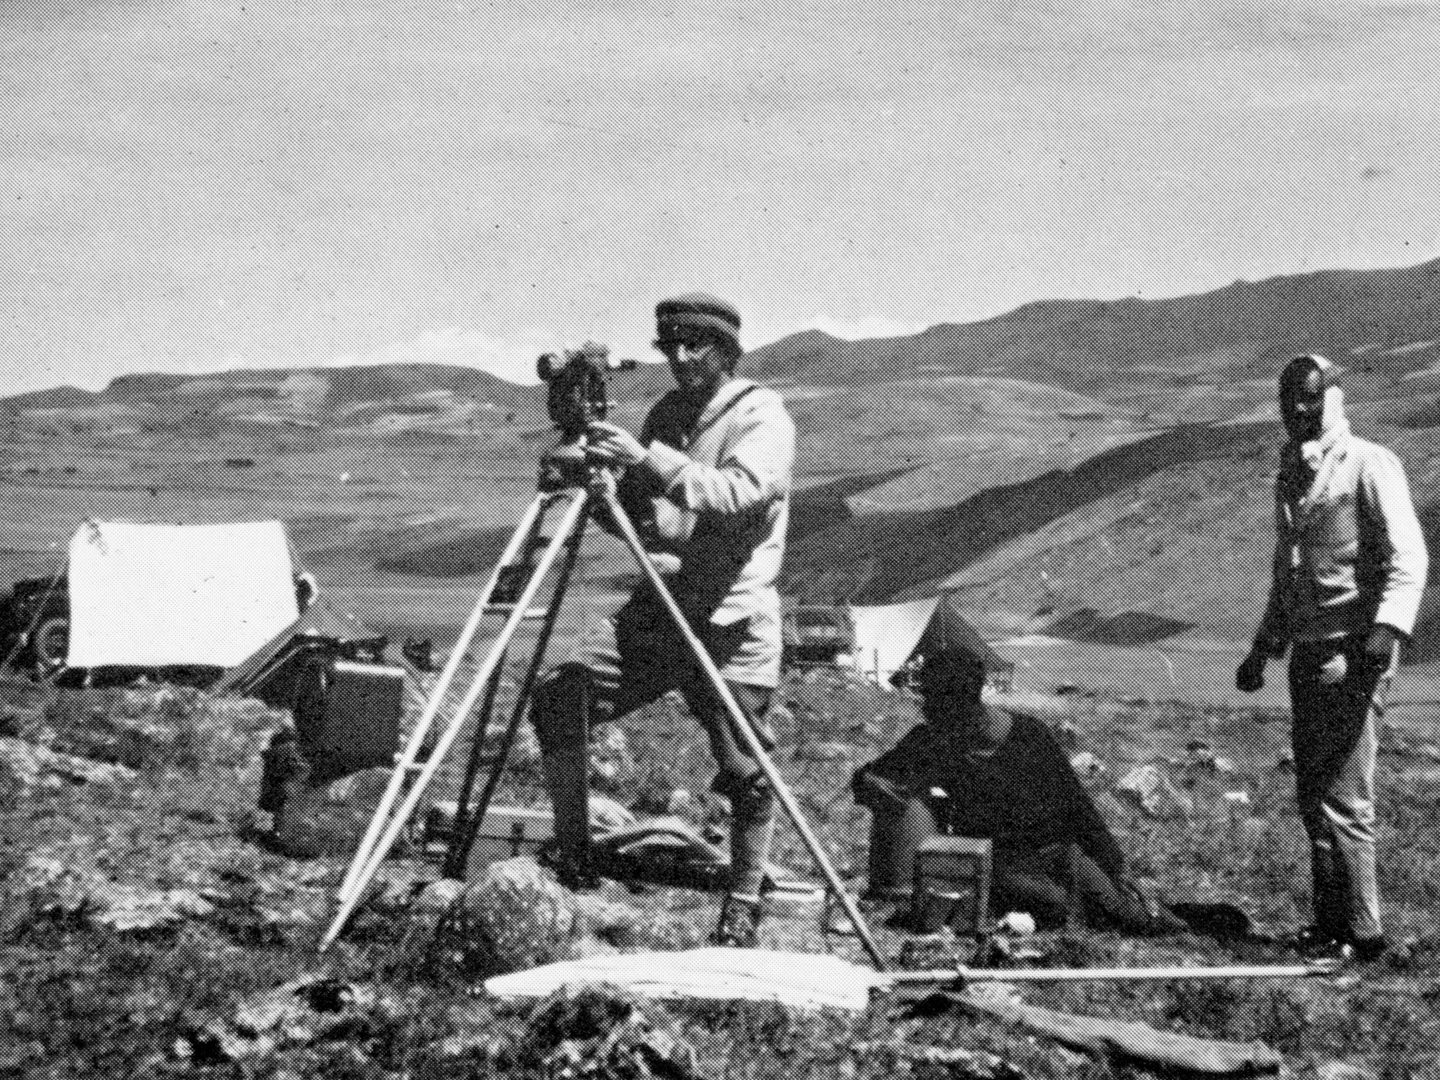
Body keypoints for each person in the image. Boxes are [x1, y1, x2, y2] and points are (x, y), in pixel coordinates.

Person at [529, 293, 796, 948]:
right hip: (662, 608)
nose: (679, 358)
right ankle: (576, 856)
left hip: (729, 616)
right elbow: (647, 518)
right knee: (563, 697)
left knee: (742, 763)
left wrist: (646, 459)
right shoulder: (668, 415)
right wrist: (597, 487)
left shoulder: (762, 415)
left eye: (693, 345)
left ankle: (743, 894)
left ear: (726, 350)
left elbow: (735, 495)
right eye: (669, 346)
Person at [1236, 354, 1428, 962]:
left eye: (1311, 398)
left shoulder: (1371, 464)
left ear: (1334, 399)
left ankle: (1364, 936)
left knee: (1346, 798)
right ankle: (1330, 927)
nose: (1299, 409)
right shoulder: (1293, 476)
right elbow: (1286, 577)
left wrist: (1382, 636)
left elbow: (1409, 557)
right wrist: (1263, 649)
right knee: (1313, 794)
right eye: (1290, 398)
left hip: (1354, 650)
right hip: (1309, 653)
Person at [852, 648, 1187, 935]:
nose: (925, 708)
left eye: (934, 700)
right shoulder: (932, 740)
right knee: (1057, 908)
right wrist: (872, 783)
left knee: (1126, 916)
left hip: (1057, 853)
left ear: (964, 698)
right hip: (996, 863)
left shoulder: (1029, 736)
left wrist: (1115, 865)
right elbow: (868, 776)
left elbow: (1077, 806)